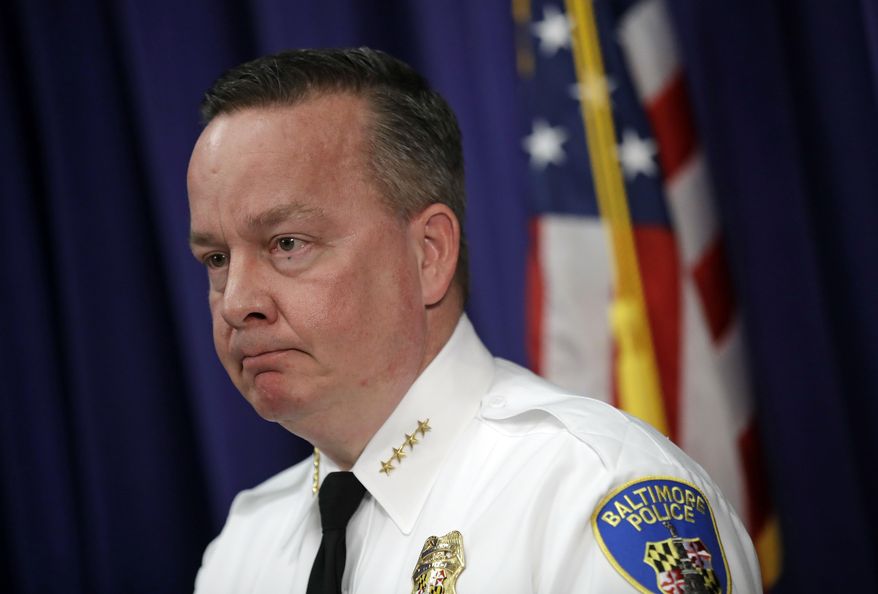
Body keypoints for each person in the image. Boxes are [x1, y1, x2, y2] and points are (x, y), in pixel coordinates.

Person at [188, 48, 762, 593]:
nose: (237, 301)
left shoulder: (591, 495)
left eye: (288, 244)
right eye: (216, 259)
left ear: (429, 254)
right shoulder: (245, 548)